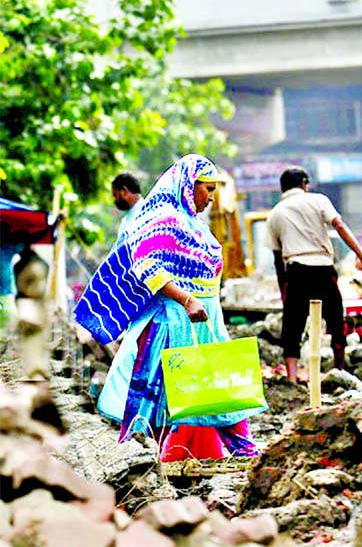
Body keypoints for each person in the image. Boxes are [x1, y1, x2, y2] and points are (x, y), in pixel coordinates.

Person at [74, 154, 259, 461]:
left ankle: (237, 453)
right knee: (175, 392)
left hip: (200, 318)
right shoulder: (165, 219)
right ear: (188, 186)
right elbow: (146, 266)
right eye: (207, 189)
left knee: (209, 385)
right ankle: (231, 454)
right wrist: (186, 299)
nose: (211, 197)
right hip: (172, 319)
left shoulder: (189, 221)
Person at [267, 167, 362, 384]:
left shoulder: (275, 213)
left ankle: (293, 378)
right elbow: (339, 226)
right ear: (304, 183)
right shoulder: (319, 200)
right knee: (335, 319)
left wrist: (283, 290)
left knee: (292, 326)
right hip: (323, 269)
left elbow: (278, 259)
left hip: (296, 271)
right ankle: (339, 370)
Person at [111, 172, 144, 237]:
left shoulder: (147, 212)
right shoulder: (125, 221)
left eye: (115, 195)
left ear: (124, 191)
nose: (115, 201)